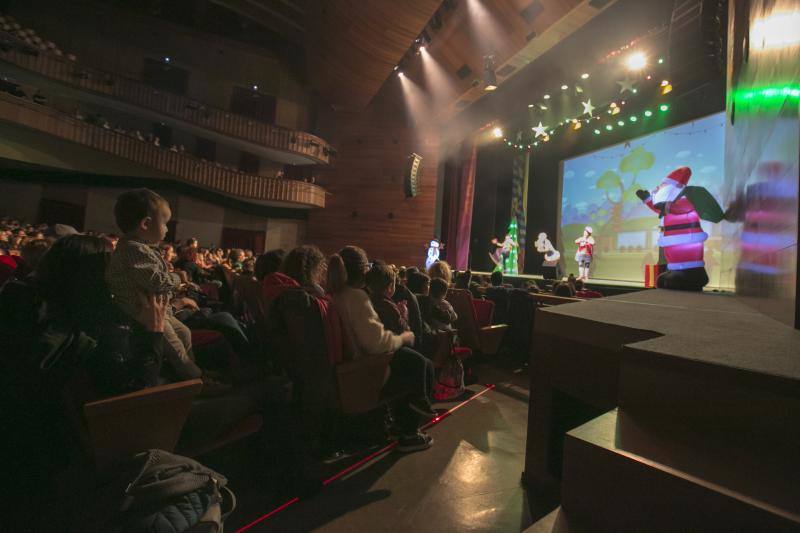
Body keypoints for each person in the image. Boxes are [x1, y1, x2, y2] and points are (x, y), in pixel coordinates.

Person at [328, 246, 435, 452]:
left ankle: (403, 421)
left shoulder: (335, 294)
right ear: (363, 271)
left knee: (411, 361)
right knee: (416, 366)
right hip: (365, 371)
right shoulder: (355, 297)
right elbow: (377, 343)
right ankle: (409, 433)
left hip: (348, 367)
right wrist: (403, 338)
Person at [105, 189, 210, 386]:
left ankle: (186, 377)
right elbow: (156, 281)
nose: (167, 230)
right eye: (165, 223)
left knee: (185, 333)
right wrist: (177, 278)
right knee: (175, 348)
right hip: (141, 312)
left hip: (157, 310)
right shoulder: (133, 250)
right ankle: (197, 381)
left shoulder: (142, 248)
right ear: (145, 224)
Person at [366, 261, 409, 335]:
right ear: (390, 286)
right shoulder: (387, 305)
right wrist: (403, 313)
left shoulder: (367, 300)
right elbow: (401, 329)